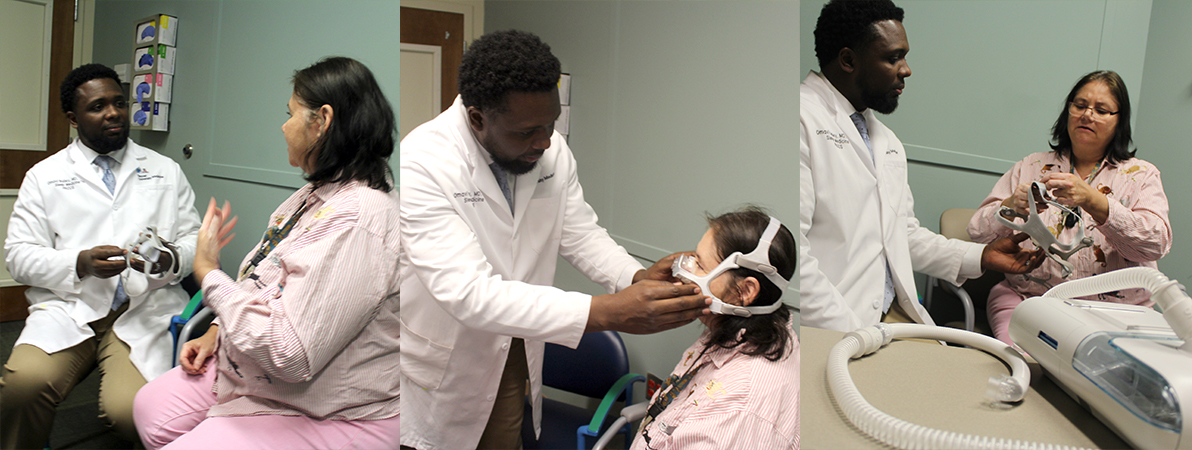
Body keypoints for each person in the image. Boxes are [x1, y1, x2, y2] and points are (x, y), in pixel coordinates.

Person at [397, 29, 710, 450]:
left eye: (551, 124)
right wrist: (604, 313)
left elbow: (578, 230)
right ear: (477, 119)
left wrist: (631, 276)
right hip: (448, 357)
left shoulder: (550, 151)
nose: (544, 143)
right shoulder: (423, 160)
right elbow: (467, 294)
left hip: (514, 348)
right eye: (527, 132)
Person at [131, 56, 405, 449]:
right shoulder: (313, 196)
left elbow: (289, 354)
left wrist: (208, 273)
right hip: (258, 370)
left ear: (321, 121)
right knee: (150, 409)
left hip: (326, 404)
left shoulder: (359, 221)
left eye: (290, 113)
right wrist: (216, 331)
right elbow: (264, 280)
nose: (283, 125)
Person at [795, 0, 1045, 332]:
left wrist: (982, 256)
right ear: (848, 60)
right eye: (893, 57)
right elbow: (792, 253)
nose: (906, 69)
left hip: (890, 314)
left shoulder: (885, 141)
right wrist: (852, 334)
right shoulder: (799, 118)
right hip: (829, 322)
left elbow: (904, 236)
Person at [1, 63, 201, 449]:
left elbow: (194, 239)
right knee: (22, 389)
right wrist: (79, 263)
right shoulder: (44, 176)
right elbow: (18, 257)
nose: (113, 113)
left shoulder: (165, 170)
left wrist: (170, 260)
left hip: (143, 309)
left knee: (132, 412)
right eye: (98, 106)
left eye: (119, 103)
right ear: (74, 119)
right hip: (70, 307)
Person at [967, 71, 1171, 345]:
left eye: (1101, 110)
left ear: (1119, 120)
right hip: (1031, 302)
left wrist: (1095, 201)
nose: (1087, 115)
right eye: (1080, 105)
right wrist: (1010, 207)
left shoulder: (1141, 175)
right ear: (1068, 111)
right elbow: (976, 233)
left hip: (1117, 315)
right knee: (1029, 366)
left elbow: (1154, 244)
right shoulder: (1031, 166)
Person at [633, 207, 801, 450]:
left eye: (700, 265)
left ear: (744, 292)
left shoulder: (739, 406)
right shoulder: (742, 330)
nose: (685, 270)